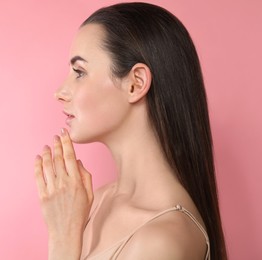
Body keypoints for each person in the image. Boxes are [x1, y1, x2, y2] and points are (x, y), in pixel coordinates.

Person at [34, 2, 227, 260]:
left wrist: (63, 240)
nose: (60, 92)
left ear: (136, 84)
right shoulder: (92, 202)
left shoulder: (162, 242)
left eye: (79, 72)